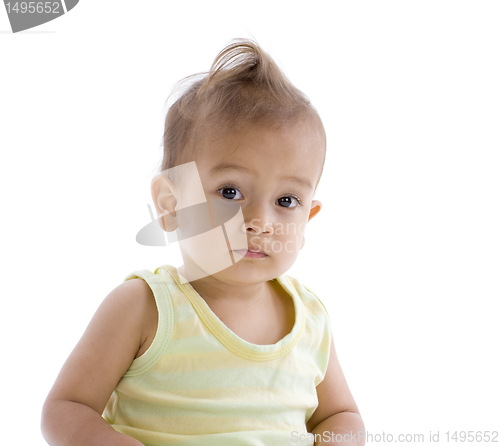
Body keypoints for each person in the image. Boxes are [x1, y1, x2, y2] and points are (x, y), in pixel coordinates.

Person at [41, 39, 365, 446]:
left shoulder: (311, 319)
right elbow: (67, 408)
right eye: (230, 192)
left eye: (286, 201)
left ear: (308, 217)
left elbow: (342, 415)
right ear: (171, 204)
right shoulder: (144, 307)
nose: (259, 222)